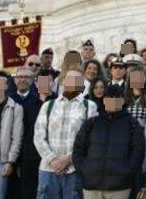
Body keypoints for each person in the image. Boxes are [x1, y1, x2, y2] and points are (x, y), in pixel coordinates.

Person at [34, 68, 99, 199]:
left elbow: (92, 139)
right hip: (48, 169)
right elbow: (39, 136)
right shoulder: (48, 105)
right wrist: (53, 160)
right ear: (63, 81)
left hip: (74, 170)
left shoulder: (89, 106)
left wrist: (68, 159)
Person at [72, 84, 145, 199]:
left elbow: (138, 152)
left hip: (120, 186)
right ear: (104, 99)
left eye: (117, 97)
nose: (113, 100)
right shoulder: (91, 122)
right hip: (92, 185)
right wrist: (85, 170)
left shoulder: (132, 124)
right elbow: (78, 150)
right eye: (110, 97)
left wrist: (127, 171)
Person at [9, 67, 54, 199]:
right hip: (24, 155)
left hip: (46, 155)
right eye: (19, 77)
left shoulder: (54, 102)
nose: (23, 79)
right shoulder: (11, 100)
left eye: (27, 77)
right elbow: (21, 133)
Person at [0, 72, 23, 199]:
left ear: (6, 86)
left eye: (0, 83)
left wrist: (11, 162)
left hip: (1, 162)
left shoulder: (15, 108)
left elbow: (17, 138)